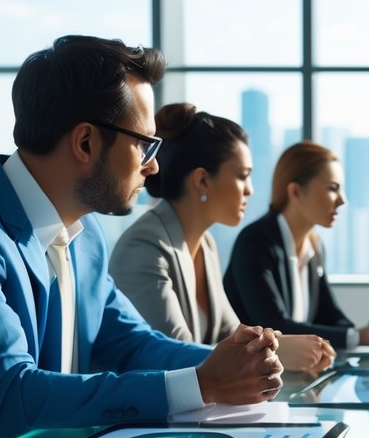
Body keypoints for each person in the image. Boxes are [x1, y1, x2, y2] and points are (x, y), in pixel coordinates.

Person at [0, 35, 282, 438]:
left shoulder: (85, 235)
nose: (154, 164)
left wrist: (236, 362)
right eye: (144, 143)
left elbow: (132, 345)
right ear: (86, 142)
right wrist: (203, 383)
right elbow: (6, 396)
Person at [110, 103, 333, 372]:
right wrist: (280, 352)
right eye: (242, 176)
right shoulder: (144, 247)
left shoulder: (206, 245)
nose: (250, 190)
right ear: (203, 180)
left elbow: (232, 334)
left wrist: (281, 344)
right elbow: (169, 352)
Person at [224, 141, 369, 349]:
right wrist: (358, 337)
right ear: (296, 192)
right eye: (333, 189)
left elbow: (330, 316)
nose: (342, 200)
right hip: (251, 374)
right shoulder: (255, 242)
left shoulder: (314, 246)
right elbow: (276, 327)